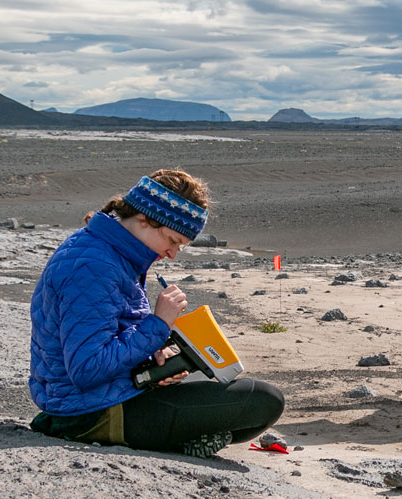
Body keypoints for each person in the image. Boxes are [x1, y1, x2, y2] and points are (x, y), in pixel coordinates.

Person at [28, 169, 284, 458]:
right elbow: (87, 369)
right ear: (145, 219)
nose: (173, 253)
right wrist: (159, 323)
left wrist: (154, 360)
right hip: (91, 413)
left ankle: (182, 437)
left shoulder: (111, 253)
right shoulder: (94, 266)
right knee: (263, 401)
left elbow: (108, 338)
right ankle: (174, 440)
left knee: (246, 397)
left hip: (102, 399)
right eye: (173, 240)